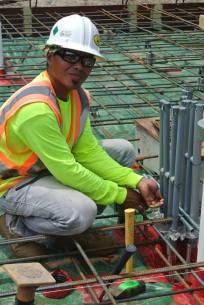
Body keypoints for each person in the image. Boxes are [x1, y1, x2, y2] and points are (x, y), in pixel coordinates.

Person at [0, 14, 163, 258]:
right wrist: (119, 194)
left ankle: (66, 221)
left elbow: (87, 152)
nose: (79, 65)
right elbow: (67, 170)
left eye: (87, 59)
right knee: (82, 212)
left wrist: (136, 181)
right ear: (49, 55)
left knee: (122, 150)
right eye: (69, 55)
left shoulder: (78, 96)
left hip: (46, 170)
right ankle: (17, 225)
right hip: (14, 183)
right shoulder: (36, 109)